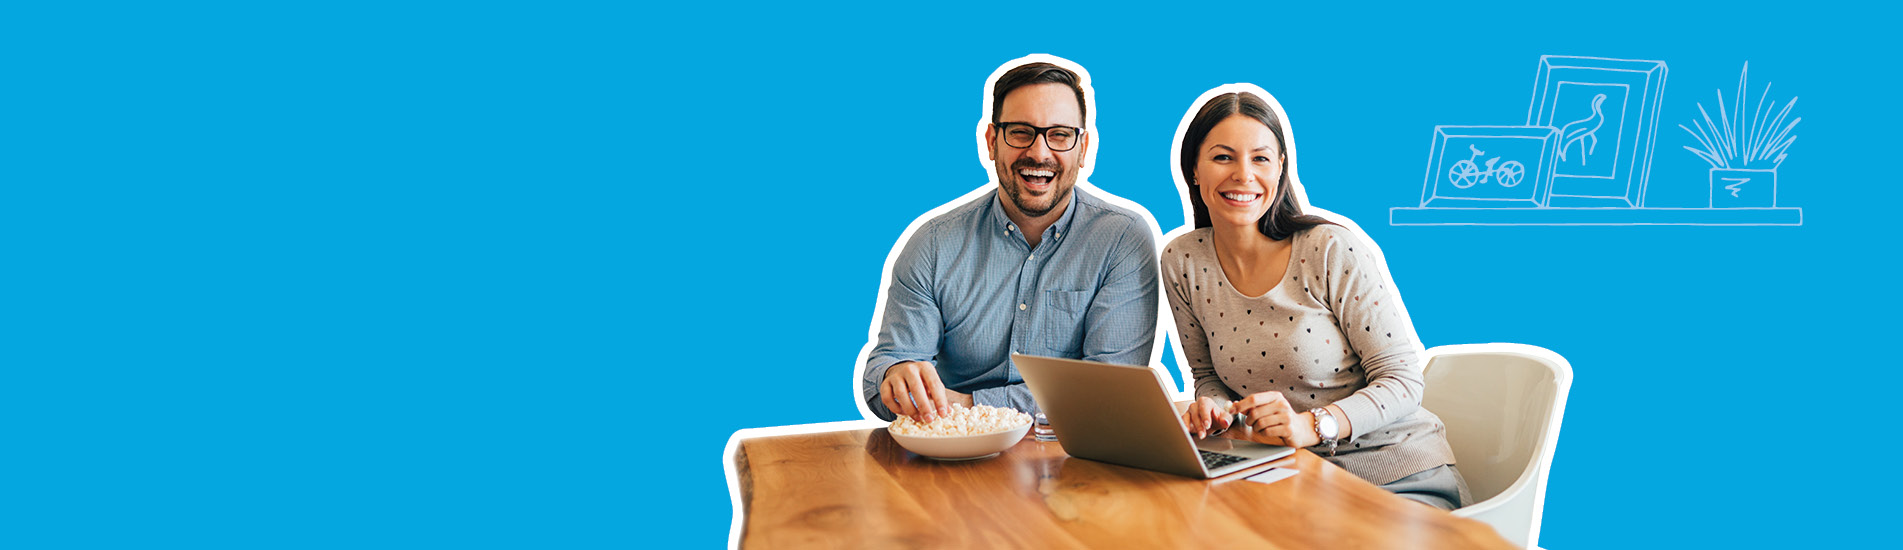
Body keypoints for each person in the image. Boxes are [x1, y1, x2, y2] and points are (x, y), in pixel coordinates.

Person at [1165, 87, 1470, 510]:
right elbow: (1208, 376)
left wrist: (1313, 425)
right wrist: (1213, 410)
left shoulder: (1328, 249)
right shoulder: (1183, 261)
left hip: (1396, 475)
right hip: (1288, 476)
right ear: (1193, 170)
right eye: (1222, 157)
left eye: (1260, 158)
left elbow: (1403, 381)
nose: (1243, 174)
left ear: (1281, 169)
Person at [857, 57, 1161, 423]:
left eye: (1060, 135)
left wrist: (966, 407)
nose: (1039, 152)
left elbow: (1110, 390)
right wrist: (896, 377)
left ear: (1084, 150)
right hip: (954, 457)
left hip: (1071, 457)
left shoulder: (1122, 240)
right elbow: (885, 367)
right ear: (991, 141)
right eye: (1020, 131)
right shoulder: (933, 244)